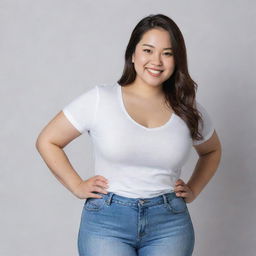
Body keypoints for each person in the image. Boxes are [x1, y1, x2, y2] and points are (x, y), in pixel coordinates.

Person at [36, 13, 222, 256]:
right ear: (132, 54)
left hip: (169, 224)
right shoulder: (100, 99)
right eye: (148, 50)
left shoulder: (187, 108)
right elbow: (48, 141)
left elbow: (212, 150)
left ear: (177, 60)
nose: (156, 60)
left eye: (167, 53)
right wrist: (76, 186)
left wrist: (194, 188)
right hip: (107, 221)